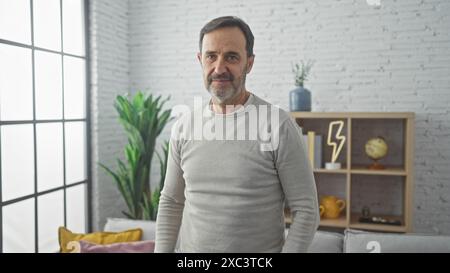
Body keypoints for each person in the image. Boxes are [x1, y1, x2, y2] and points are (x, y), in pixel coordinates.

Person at [155, 16, 319, 253]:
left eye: (231, 57)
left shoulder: (279, 125)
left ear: (249, 63)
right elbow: (171, 202)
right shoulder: (184, 126)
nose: (219, 68)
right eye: (211, 56)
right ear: (200, 60)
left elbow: (306, 210)